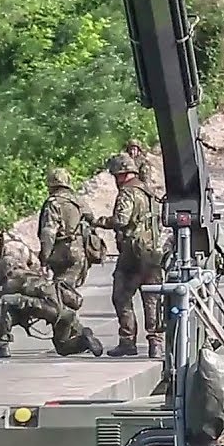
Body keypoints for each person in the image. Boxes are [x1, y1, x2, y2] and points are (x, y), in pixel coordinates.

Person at [86, 153, 164, 359]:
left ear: (121, 174)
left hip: (133, 253)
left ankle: (127, 341)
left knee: (121, 295)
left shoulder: (128, 193)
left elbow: (121, 220)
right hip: (154, 253)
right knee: (152, 298)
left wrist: (100, 222)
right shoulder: (149, 192)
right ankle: (156, 343)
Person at [0, 250, 103, 359]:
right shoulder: (32, 276)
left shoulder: (10, 283)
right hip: (65, 312)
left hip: (47, 308)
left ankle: (1, 344)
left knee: (6, 301)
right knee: (62, 347)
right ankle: (83, 341)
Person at [37, 167, 95, 290]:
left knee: (60, 294)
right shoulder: (79, 201)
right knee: (69, 290)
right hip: (80, 252)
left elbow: (48, 233)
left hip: (62, 254)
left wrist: (44, 260)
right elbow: (91, 219)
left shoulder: (53, 203)